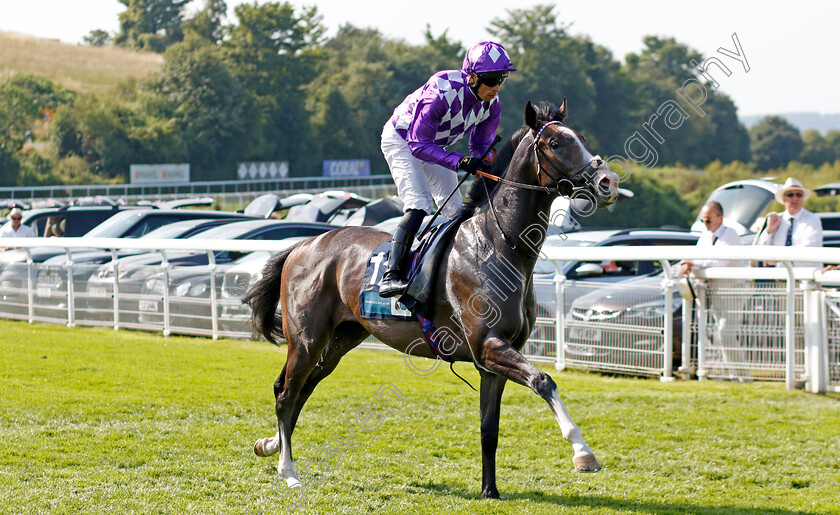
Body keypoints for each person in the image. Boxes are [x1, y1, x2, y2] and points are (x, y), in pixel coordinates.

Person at [378, 41, 516, 297]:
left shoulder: (492, 104)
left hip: (435, 145)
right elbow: (418, 145)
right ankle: (391, 274)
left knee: (455, 212)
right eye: (491, 79)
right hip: (402, 139)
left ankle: (452, 274)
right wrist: (459, 161)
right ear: (472, 77)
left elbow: (480, 144)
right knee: (419, 204)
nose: (496, 87)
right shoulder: (441, 92)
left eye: (502, 79)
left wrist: (483, 162)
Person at [679, 201, 747, 379]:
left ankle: (741, 375)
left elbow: (719, 261)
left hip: (733, 289)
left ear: (720, 218)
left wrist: (693, 263)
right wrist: (690, 264)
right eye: (703, 221)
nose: (706, 224)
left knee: (725, 333)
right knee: (720, 333)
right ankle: (733, 374)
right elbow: (699, 258)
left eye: (708, 220)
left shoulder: (730, 234)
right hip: (715, 290)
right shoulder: (705, 236)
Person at [756, 177, 823, 268]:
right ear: (784, 199)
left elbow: (809, 248)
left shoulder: (812, 219)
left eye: (799, 195)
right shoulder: (777, 220)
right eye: (790, 195)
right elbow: (761, 249)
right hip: (781, 277)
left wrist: (777, 256)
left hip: (806, 277)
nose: (795, 198)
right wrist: (769, 231)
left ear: (802, 198)